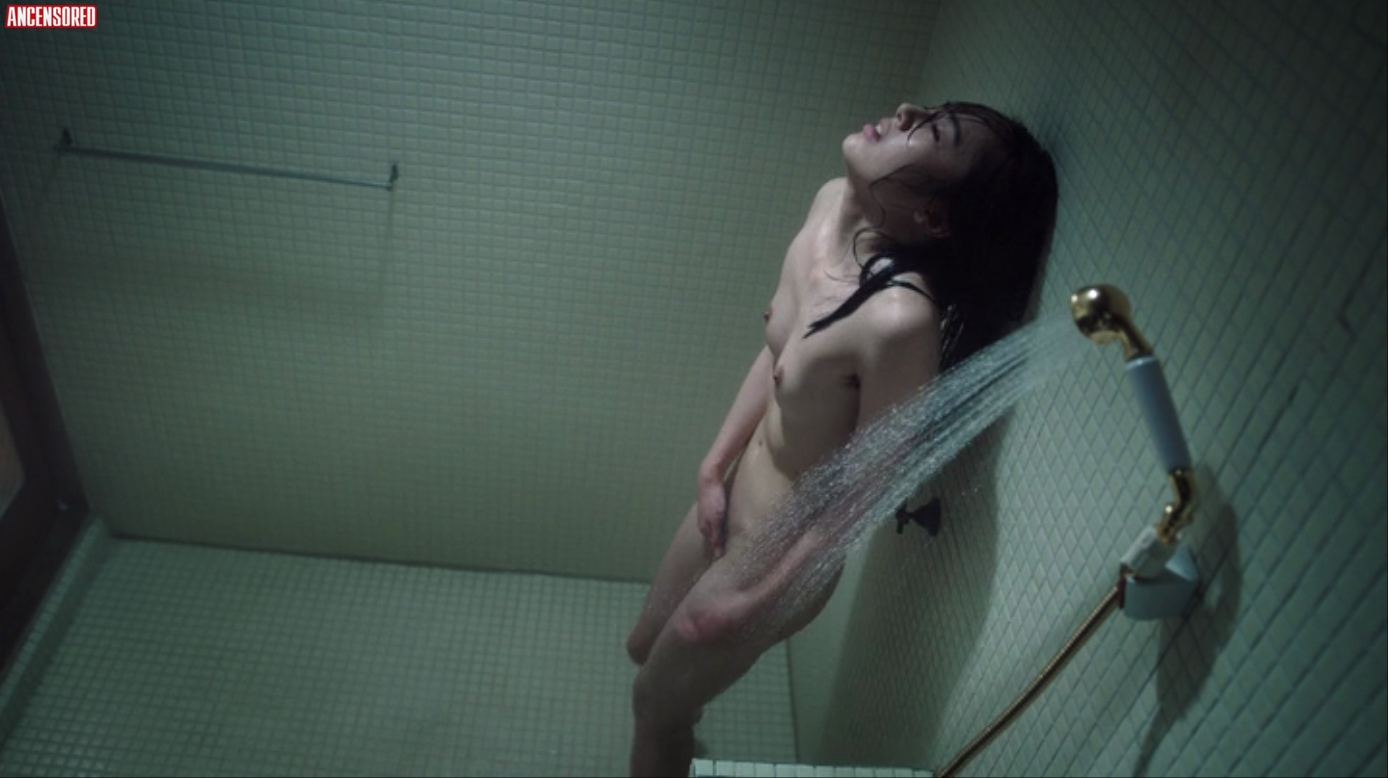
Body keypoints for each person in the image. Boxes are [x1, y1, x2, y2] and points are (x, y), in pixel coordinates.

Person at [624, 102, 1058, 777]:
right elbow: (780, 353)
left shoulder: (898, 319)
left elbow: (868, 492)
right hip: (733, 494)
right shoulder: (830, 204)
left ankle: (676, 740)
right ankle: (682, 725)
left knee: (655, 708)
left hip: (777, 555)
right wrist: (713, 469)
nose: (907, 111)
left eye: (931, 131)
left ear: (935, 217)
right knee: (642, 648)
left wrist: (757, 603)